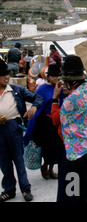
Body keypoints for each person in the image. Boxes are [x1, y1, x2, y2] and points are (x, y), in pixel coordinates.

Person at [51, 55, 87, 202]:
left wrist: (55, 98)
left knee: (71, 193)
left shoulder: (70, 100)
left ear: (70, 81)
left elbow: (55, 120)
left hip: (73, 154)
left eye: (65, 81)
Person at [0, 59, 44, 202]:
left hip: (14, 128)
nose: (7, 77)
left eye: (7, 74)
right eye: (2, 75)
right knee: (4, 162)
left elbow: (38, 97)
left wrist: (34, 107)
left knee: (19, 160)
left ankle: (25, 189)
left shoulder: (16, 90)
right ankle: (9, 190)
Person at [24, 65, 66, 181]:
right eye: (53, 76)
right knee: (46, 147)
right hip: (45, 123)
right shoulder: (42, 89)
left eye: (58, 76)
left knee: (56, 146)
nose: (56, 78)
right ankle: (45, 166)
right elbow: (37, 103)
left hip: (56, 121)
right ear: (48, 77)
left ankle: (52, 168)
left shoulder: (60, 87)